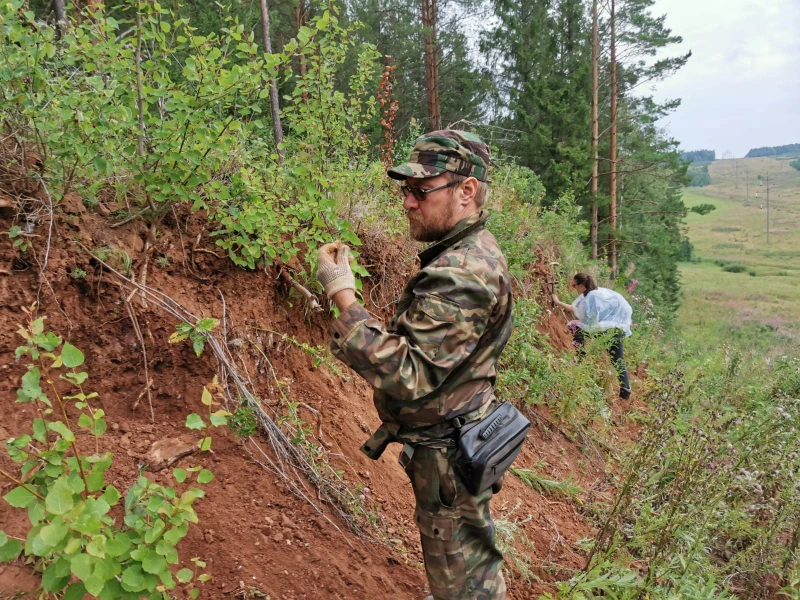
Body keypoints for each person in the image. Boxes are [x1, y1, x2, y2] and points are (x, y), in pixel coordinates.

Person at [314, 130, 512, 600]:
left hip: (449, 455)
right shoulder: (468, 252)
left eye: (421, 191)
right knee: (471, 566)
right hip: (456, 442)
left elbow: (411, 374)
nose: (407, 202)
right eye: (406, 190)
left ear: (466, 191)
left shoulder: (462, 273)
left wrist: (342, 295)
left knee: (463, 582)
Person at [552, 273, 632, 400]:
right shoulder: (593, 292)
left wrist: (578, 323)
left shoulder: (592, 297)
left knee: (575, 327)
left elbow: (591, 320)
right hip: (616, 328)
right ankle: (626, 390)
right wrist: (557, 301)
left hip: (609, 329)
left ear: (582, 285)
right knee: (617, 359)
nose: (573, 288)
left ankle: (579, 358)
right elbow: (574, 309)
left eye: (574, 285)